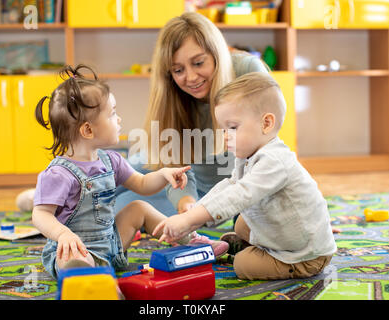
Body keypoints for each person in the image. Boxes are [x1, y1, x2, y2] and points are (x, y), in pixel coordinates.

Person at [31, 65, 228, 279]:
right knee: (70, 260)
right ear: (88, 130)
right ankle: (89, 278)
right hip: (76, 249)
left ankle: (189, 238)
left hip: (112, 244)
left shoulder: (111, 160)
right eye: (113, 113)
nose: (119, 119)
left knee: (138, 207)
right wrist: (63, 235)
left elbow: (142, 184)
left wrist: (163, 175)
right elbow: (40, 214)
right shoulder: (59, 174)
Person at [153, 72, 337, 280]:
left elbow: (240, 194)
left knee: (242, 265)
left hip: (304, 253)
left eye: (232, 128)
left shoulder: (275, 160)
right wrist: (193, 215)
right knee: (241, 223)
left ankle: (259, 253)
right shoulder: (248, 155)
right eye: (223, 129)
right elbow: (230, 185)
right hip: (283, 231)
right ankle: (256, 245)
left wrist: (190, 219)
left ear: (266, 123)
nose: (225, 137)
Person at [114, 11, 269, 217]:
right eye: (178, 70)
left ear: (216, 54)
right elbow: (173, 165)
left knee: (119, 208)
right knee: (113, 174)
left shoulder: (248, 73)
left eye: (198, 63)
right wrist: (185, 201)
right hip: (185, 175)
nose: (191, 77)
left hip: (213, 189)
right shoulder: (174, 96)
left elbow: (266, 158)